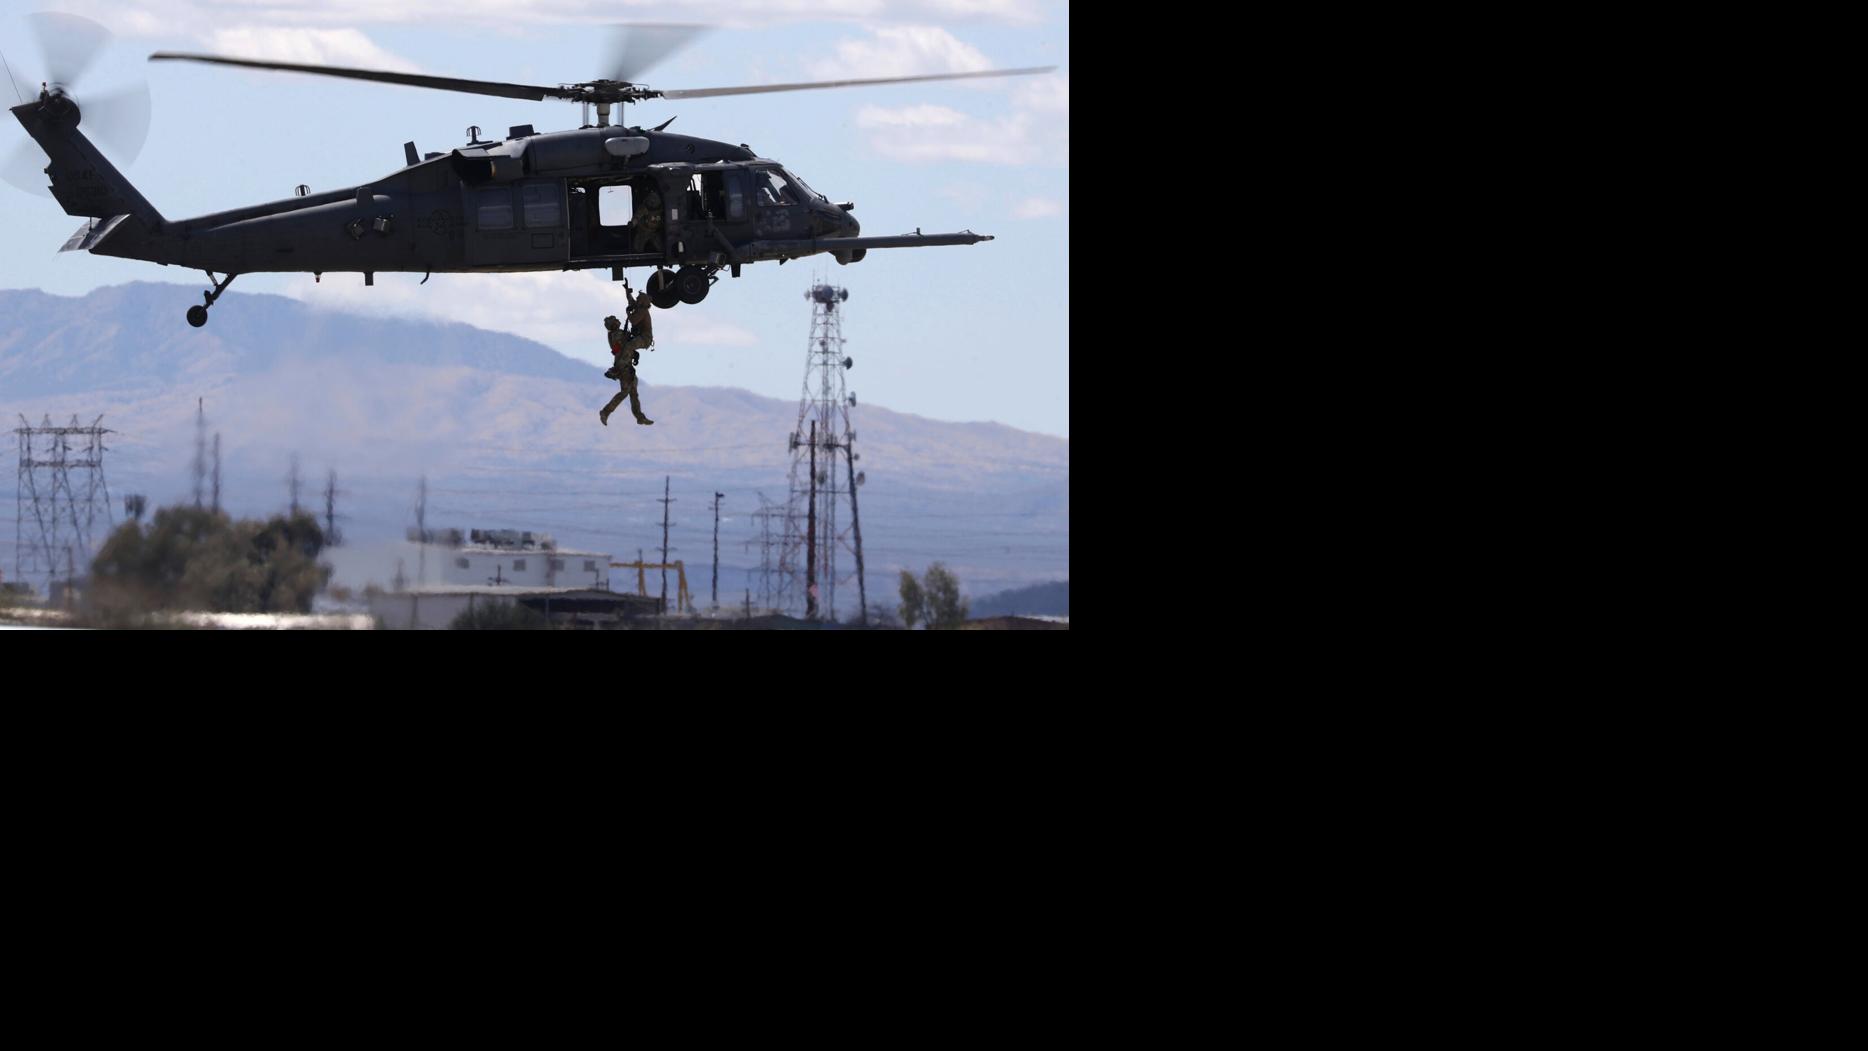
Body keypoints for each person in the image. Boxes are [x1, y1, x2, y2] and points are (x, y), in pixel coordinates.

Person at [599, 312, 653, 426]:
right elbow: (627, 343)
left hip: (627, 367)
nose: (618, 321)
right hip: (623, 367)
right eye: (615, 320)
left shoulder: (616, 334)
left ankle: (639, 417)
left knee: (633, 393)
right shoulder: (617, 334)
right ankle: (605, 411)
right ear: (613, 325)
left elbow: (626, 346)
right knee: (625, 392)